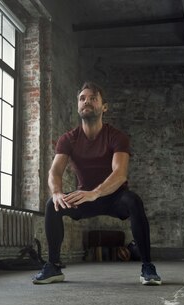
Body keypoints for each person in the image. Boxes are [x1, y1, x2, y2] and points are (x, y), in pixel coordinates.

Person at [33, 81, 162, 286]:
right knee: (52, 204)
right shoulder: (68, 139)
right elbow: (55, 171)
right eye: (82, 98)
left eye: (93, 98)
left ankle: (147, 266)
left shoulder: (117, 137)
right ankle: (53, 266)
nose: (87, 102)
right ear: (78, 106)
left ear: (104, 107)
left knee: (134, 201)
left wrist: (96, 192)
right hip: (85, 196)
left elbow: (119, 173)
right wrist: (57, 193)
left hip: (114, 197)